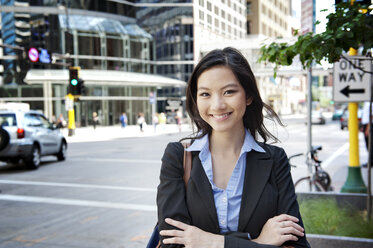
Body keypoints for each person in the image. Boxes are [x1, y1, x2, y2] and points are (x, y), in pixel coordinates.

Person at [157, 47, 310, 247]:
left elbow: (297, 244)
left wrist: (211, 242)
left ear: (248, 96)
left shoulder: (274, 159)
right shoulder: (178, 156)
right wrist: (257, 242)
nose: (217, 105)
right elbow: (172, 244)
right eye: (205, 94)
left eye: (229, 92)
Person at [361, 101, 373, 168]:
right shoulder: (366, 103)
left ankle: (371, 162)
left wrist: (367, 128)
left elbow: (371, 116)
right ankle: (370, 160)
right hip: (366, 125)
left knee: (370, 144)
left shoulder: (370, 103)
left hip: (369, 125)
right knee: (368, 145)